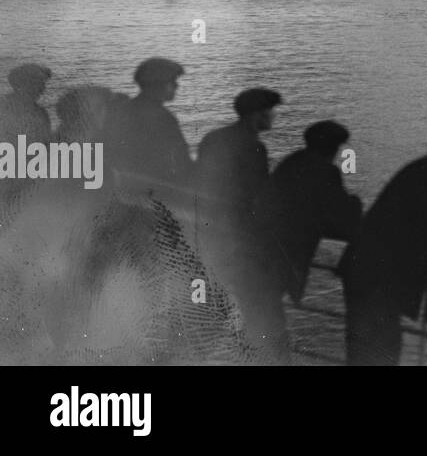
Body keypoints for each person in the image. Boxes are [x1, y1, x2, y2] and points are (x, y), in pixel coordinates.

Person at [340, 121, 427, 366]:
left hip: (365, 269)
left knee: (368, 347)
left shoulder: (424, 169)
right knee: (381, 348)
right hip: (380, 278)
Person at [195, 87, 289, 362]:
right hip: (241, 245)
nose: (273, 117)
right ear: (257, 114)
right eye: (270, 112)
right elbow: (256, 198)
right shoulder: (253, 147)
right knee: (262, 316)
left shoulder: (213, 138)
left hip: (211, 238)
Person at [272, 120, 362, 305]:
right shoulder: (327, 171)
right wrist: (356, 203)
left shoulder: (292, 161)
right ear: (334, 148)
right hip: (290, 253)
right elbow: (344, 212)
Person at [102, 58, 193, 200]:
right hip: (157, 191)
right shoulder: (164, 118)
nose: (176, 86)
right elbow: (183, 160)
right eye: (172, 81)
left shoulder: (122, 111)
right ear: (158, 85)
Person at [0, 63, 53, 145]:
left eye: (42, 83)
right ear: (21, 84)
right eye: (36, 83)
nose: (42, 88)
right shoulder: (3, 107)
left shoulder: (41, 114)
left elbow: (45, 144)